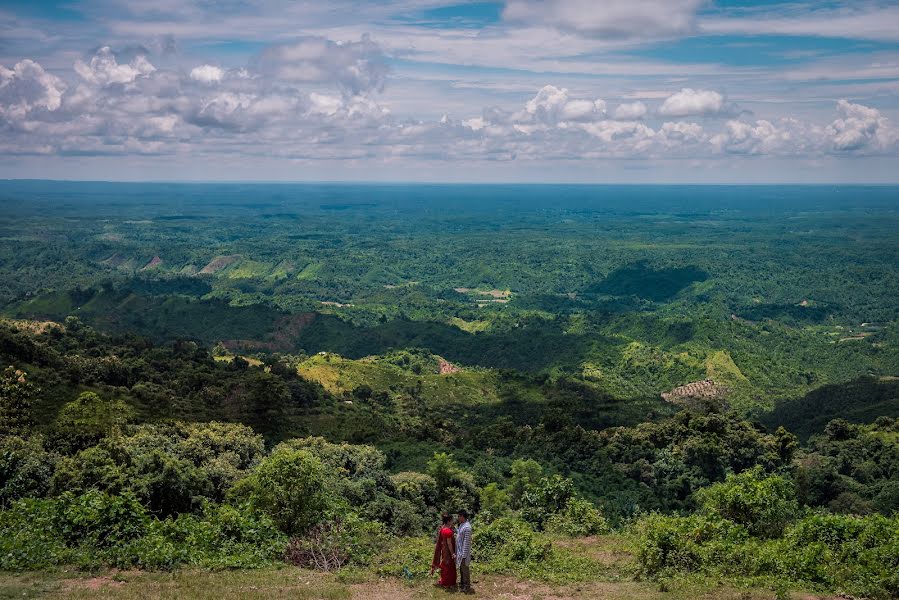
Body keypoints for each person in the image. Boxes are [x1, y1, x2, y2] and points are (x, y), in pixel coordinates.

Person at [430, 513, 457, 588]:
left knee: (446, 565)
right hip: (448, 551)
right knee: (449, 566)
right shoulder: (447, 531)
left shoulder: (442, 528)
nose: (452, 521)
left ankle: (446, 582)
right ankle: (448, 583)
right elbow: (449, 544)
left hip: (444, 550)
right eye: (451, 520)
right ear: (448, 521)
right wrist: (452, 553)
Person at [455, 509, 473, 593]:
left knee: (465, 569)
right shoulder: (462, 525)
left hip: (463, 553)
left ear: (462, 516)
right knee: (461, 569)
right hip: (459, 552)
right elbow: (459, 534)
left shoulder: (467, 527)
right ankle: (462, 583)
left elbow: (466, 543)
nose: (458, 518)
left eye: (459, 516)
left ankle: (467, 586)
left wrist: (464, 555)